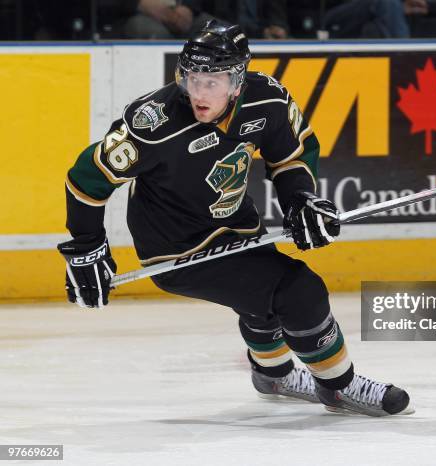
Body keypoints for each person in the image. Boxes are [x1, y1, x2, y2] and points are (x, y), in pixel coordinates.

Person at [57, 19, 413, 417]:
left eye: (213, 81)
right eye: (193, 79)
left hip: (236, 224)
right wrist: (86, 248)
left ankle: (273, 375)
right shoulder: (154, 124)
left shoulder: (268, 100)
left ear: (238, 80)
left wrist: (300, 200)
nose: (200, 92)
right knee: (299, 291)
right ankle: (339, 388)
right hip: (178, 251)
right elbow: (86, 179)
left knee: (260, 300)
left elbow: (290, 155)